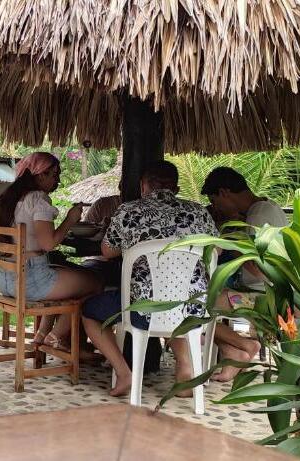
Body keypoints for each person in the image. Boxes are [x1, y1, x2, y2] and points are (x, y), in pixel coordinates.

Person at [81, 161, 218, 397]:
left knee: (90, 311)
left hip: (142, 311)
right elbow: (217, 250)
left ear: (143, 186)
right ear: (176, 188)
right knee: (175, 298)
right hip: (192, 311)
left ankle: (124, 373)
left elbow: (107, 251)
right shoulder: (198, 212)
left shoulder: (127, 211)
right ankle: (185, 368)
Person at [0, 152, 102, 351]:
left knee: (66, 273)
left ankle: (41, 336)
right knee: (95, 283)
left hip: (6, 283)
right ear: (40, 175)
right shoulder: (37, 199)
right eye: (55, 175)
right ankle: (56, 337)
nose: (58, 181)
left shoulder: (2, 201)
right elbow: (49, 244)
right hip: (32, 283)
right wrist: (70, 219)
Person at [200, 167, 286, 381]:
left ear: (224, 192)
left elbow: (257, 267)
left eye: (215, 201)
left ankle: (245, 345)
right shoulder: (268, 207)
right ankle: (234, 354)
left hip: (261, 299)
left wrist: (232, 245)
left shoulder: (258, 216)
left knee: (192, 306)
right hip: (263, 293)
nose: (216, 208)